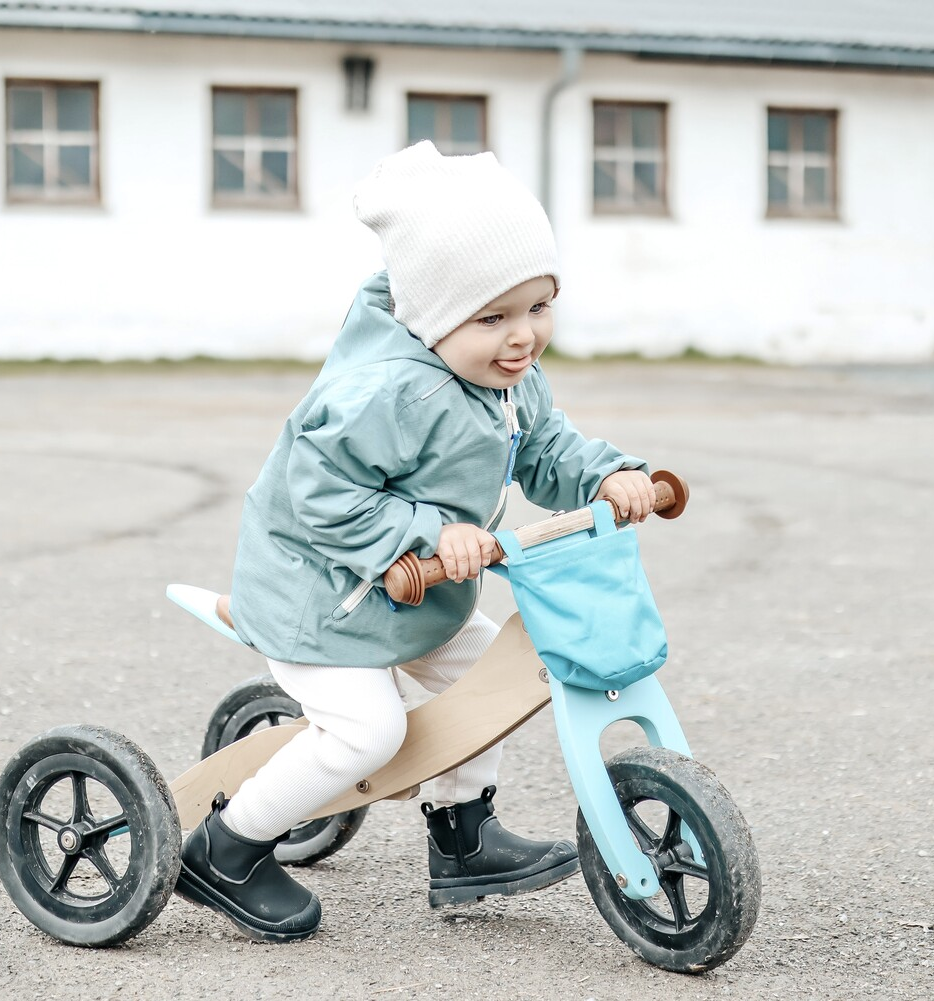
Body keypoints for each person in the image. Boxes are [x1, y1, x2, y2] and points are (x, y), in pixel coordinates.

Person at [174, 141, 656, 942]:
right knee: (370, 731)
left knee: (485, 678)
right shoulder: (388, 390)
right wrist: (428, 530)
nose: (521, 337)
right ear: (432, 314)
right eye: (493, 317)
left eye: (538, 307)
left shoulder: (502, 374)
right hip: (321, 599)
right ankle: (225, 849)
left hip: (408, 596)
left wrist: (607, 476)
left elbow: (541, 449)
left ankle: (463, 840)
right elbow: (315, 492)